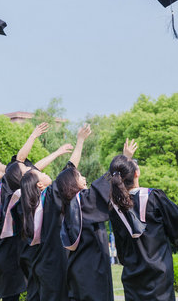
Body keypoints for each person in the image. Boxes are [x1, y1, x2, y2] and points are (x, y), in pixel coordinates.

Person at [0, 122, 53, 301]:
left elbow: (31, 170)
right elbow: (20, 162)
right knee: (4, 297)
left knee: (0, 296)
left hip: (2, 255)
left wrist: (57, 152)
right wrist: (33, 135)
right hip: (5, 255)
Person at [109, 144, 178, 301]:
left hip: (132, 274)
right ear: (137, 173)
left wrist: (124, 157)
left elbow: (120, 244)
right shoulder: (154, 197)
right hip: (158, 273)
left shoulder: (114, 208)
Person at [18, 125, 91, 301]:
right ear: (40, 185)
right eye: (39, 173)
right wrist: (80, 140)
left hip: (40, 264)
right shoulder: (50, 196)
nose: (42, 172)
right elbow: (71, 169)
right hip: (55, 264)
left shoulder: (31, 205)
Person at [57, 124, 115, 301]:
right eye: (79, 176)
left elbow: (66, 172)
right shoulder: (85, 199)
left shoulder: (63, 203)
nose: (84, 177)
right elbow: (104, 183)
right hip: (93, 267)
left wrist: (80, 141)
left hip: (75, 267)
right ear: (73, 183)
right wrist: (120, 164)